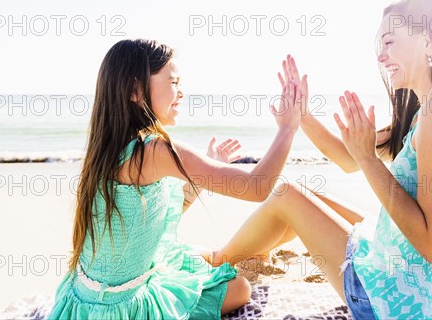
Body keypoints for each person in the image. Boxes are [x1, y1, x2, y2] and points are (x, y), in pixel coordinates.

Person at [212, 0, 432, 319]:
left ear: (428, 40)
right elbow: (347, 159)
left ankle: (215, 262)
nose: (381, 56)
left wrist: (369, 160)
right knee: (311, 197)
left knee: (287, 195)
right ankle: (256, 253)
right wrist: (304, 116)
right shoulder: (431, 109)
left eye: (390, 41)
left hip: (411, 305)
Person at [47, 39, 302, 319]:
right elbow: (256, 187)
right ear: (136, 90)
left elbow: (146, 222)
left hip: (82, 299)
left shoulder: (106, 150)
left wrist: (205, 173)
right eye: (173, 82)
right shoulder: (154, 150)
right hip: (124, 308)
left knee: (200, 254)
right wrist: (288, 128)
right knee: (240, 288)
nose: (181, 93)